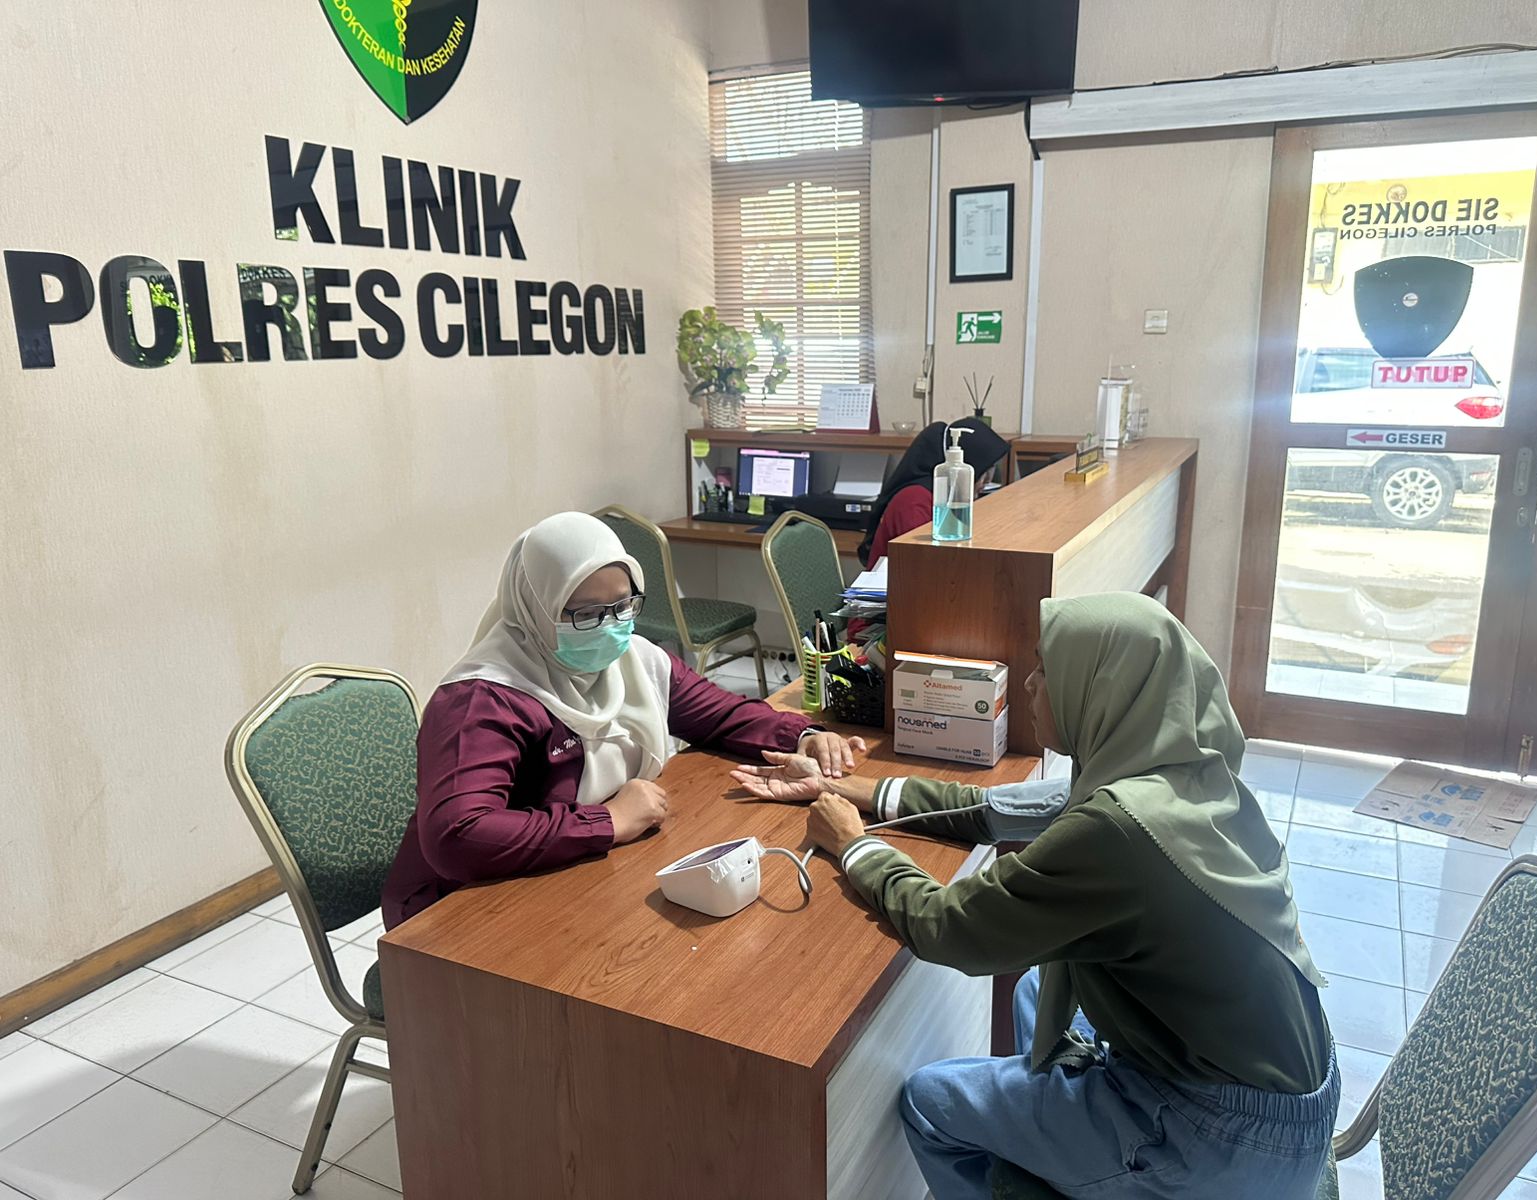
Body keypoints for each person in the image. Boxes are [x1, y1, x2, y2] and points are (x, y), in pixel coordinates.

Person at [734, 594, 1337, 1200]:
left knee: (931, 1101)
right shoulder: (1180, 769)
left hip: (1219, 1139)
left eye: (1046, 669)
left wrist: (854, 847)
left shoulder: (1117, 830)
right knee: (1034, 990)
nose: (1027, 682)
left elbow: (951, 929)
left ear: (1098, 689)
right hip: (1288, 1092)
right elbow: (991, 810)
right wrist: (845, 789)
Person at [381, 512, 864, 929]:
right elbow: (458, 835)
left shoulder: (635, 660)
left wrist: (802, 735)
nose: (612, 627)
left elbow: (720, 716)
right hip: (460, 911)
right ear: (536, 608)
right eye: (586, 613)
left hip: (578, 880)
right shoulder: (482, 699)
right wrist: (609, 821)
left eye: (623, 605)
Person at [858, 418, 1012, 567]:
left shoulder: (947, 497)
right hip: (894, 581)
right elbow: (924, 562)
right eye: (984, 472)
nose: (987, 481)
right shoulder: (914, 501)